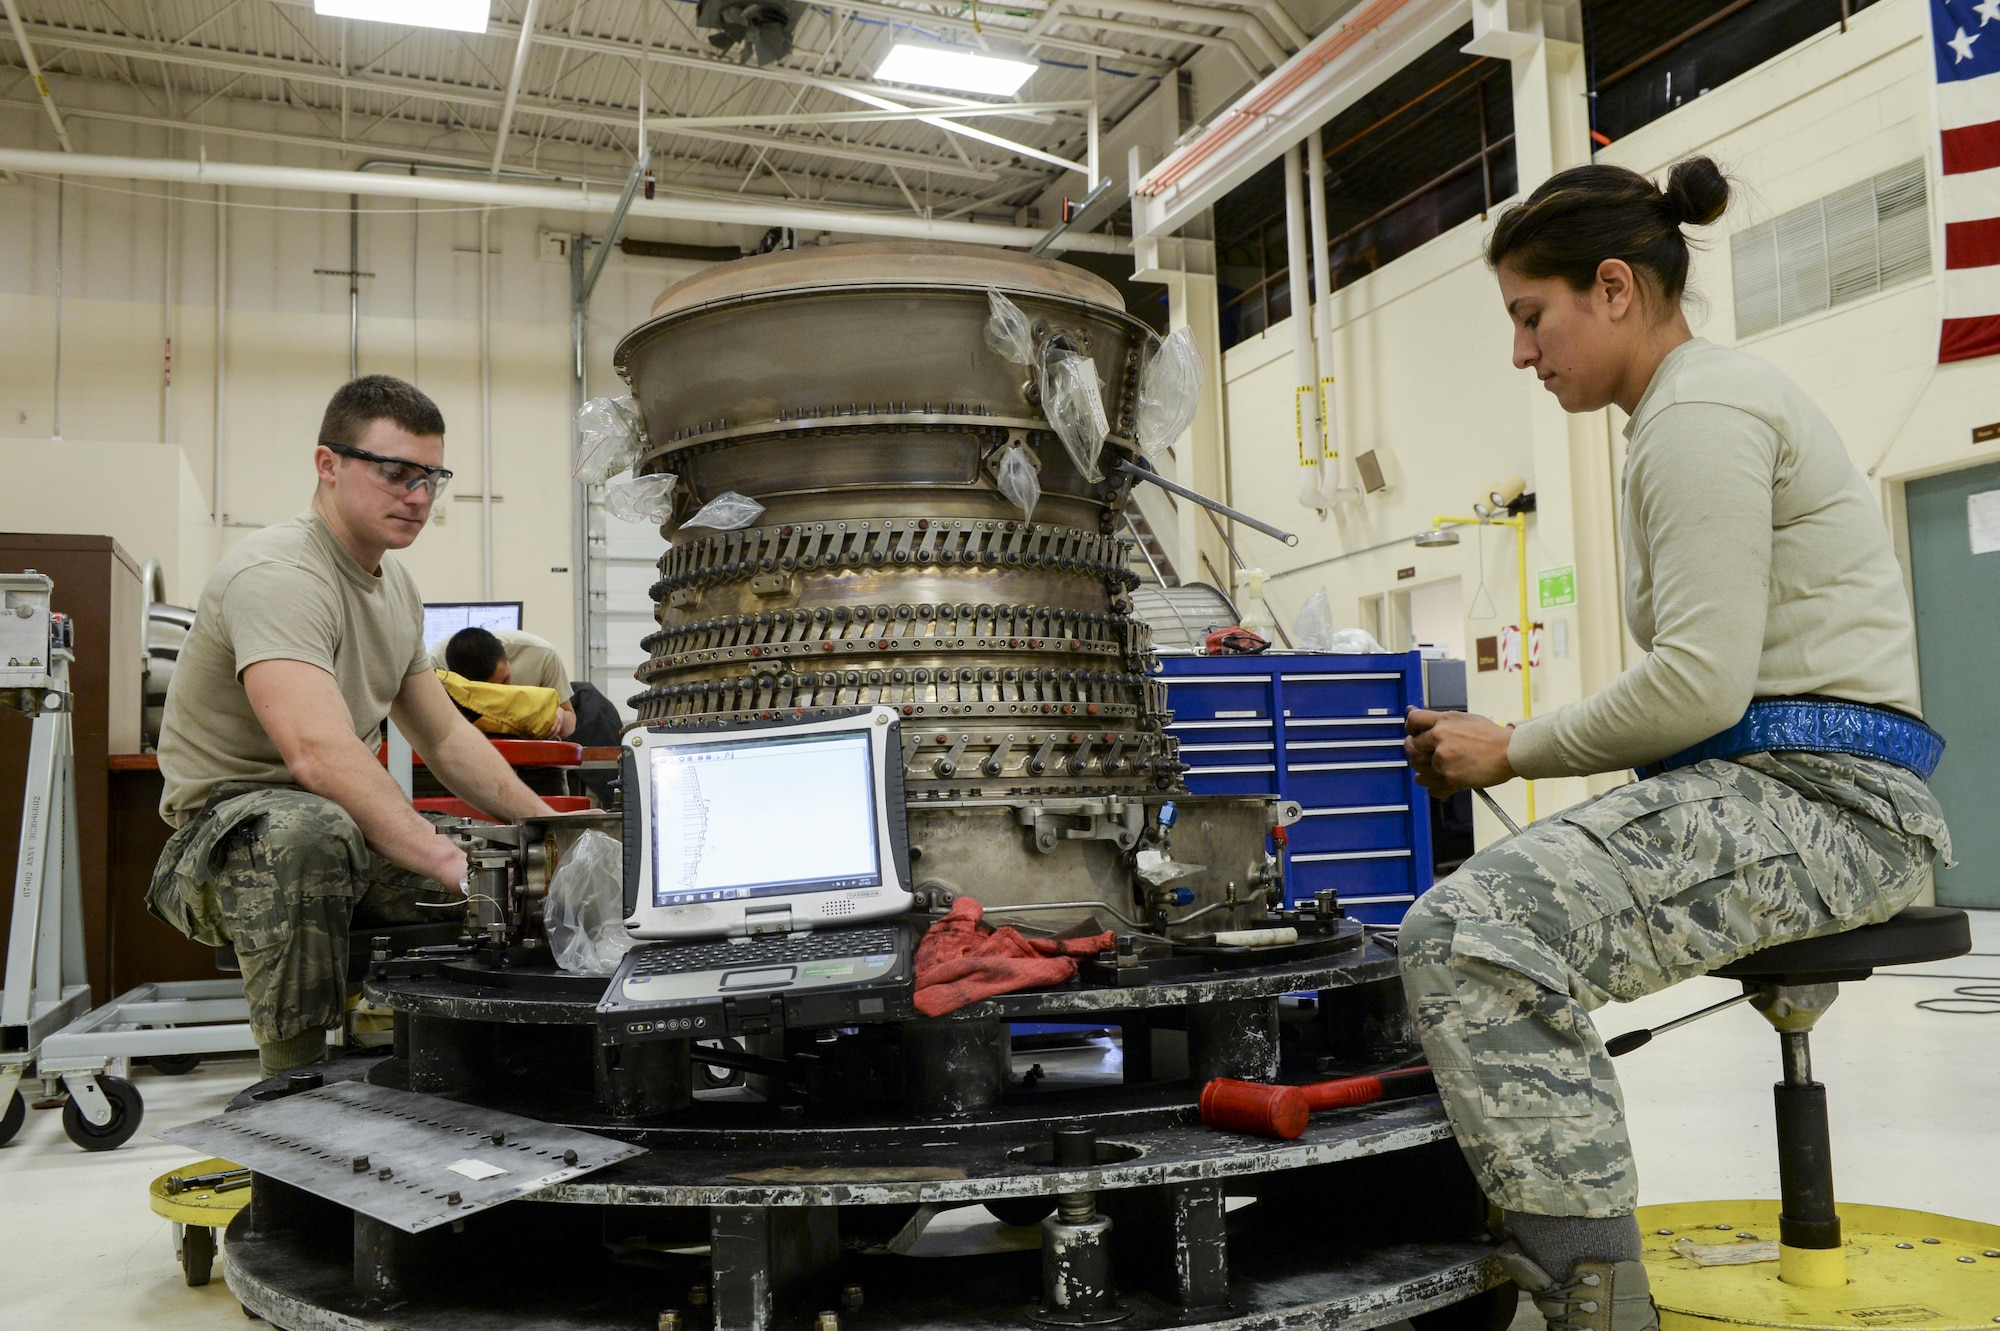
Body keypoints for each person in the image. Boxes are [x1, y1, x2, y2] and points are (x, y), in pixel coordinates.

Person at [1399, 158, 1951, 1330]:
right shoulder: (1686, 408)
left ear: (1610, 287)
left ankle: (1597, 1305)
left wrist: (1512, 748)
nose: (1519, 352)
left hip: (1830, 805)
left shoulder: (1696, 409)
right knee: (1465, 926)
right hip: (1785, 787)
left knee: (1470, 930)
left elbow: (1697, 684)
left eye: (1526, 315)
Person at [149, 376, 563, 1080]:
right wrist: (441, 859)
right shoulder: (279, 574)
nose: (419, 497)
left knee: (504, 869)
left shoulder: (394, 587)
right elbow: (317, 755)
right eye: (397, 473)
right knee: (314, 832)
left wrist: (553, 831)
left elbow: (448, 739)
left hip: (331, 825)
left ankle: (472, 1063)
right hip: (222, 841)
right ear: (328, 464)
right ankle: (293, 1079)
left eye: (432, 477)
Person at [439, 625, 576, 735]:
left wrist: (560, 716)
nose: (503, 690)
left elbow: (570, 724)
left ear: (503, 648)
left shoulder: (542, 655)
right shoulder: (437, 668)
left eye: (505, 680)